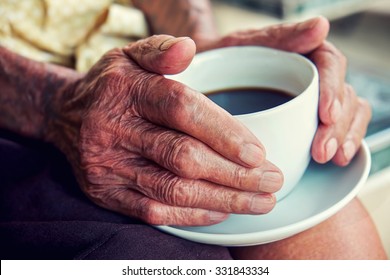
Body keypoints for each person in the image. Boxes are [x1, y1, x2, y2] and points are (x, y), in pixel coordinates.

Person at [0, 0, 386, 259]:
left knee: (337, 246)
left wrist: (197, 43)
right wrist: (51, 102)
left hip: (136, 64)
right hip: (18, 109)